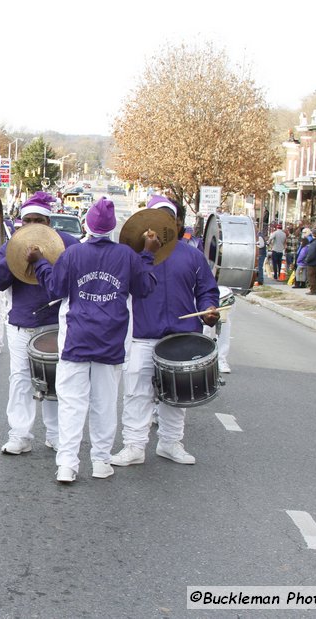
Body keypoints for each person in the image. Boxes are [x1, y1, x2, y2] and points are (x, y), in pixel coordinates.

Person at [29, 198, 159, 483]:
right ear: (113, 228)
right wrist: (148, 255)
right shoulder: (127, 256)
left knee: (72, 404)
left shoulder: (73, 255)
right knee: (105, 404)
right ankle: (100, 462)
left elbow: (54, 288)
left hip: (76, 338)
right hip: (111, 342)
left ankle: (67, 464)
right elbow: (146, 287)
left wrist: (39, 263)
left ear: (86, 225)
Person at [110, 198, 220, 472]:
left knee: (176, 394)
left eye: (167, 218)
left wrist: (208, 308)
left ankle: (170, 443)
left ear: (177, 224)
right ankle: (134, 445)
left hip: (181, 336)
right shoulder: (133, 255)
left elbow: (207, 289)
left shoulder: (192, 255)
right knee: (137, 391)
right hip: (143, 334)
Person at [0, 191, 79, 455]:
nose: (31, 225)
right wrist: (13, 257)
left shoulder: (69, 245)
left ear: (48, 223)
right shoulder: (10, 246)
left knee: (56, 380)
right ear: (20, 222)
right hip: (21, 323)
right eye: (27, 221)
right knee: (20, 379)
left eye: (38, 220)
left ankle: (57, 434)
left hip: (55, 324)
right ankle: (20, 435)